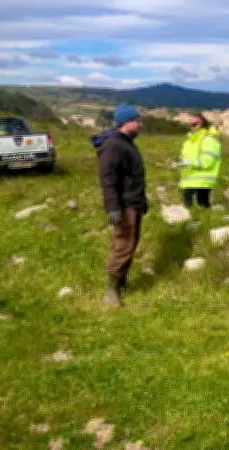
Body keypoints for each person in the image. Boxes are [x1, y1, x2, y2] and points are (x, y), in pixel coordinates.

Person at [92, 103, 148, 307]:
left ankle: (121, 283)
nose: (141, 125)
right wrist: (113, 208)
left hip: (133, 203)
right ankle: (111, 292)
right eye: (138, 120)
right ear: (127, 122)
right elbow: (108, 179)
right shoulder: (113, 145)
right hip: (124, 205)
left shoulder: (125, 143)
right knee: (122, 245)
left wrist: (141, 201)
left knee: (130, 244)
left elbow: (131, 176)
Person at [178, 113, 222, 208]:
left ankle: (203, 215)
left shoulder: (209, 140)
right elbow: (183, 158)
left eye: (195, 124)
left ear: (203, 125)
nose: (192, 126)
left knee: (201, 205)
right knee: (191, 207)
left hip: (204, 180)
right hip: (189, 179)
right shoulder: (188, 142)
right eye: (191, 124)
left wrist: (189, 162)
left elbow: (207, 161)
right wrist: (179, 162)